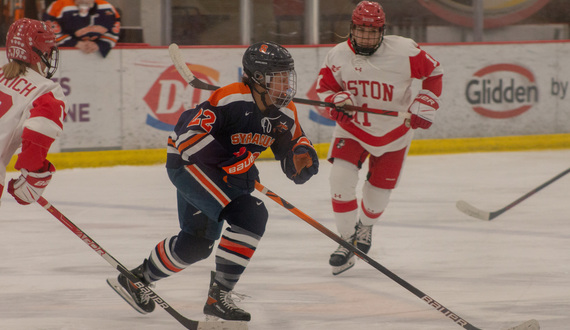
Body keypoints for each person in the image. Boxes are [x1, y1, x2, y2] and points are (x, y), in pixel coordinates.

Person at [106, 41, 319, 321]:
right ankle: (218, 298)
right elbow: (188, 138)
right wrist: (232, 166)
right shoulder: (230, 99)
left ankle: (138, 279)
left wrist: (300, 157)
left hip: (221, 175)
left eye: (286, 77)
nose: (285, 85)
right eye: (277, 78)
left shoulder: (286, 112)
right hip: (189, 164)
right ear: (257, 78)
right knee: (251, 214)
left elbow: (292, 145)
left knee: (196, 244)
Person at [316, 1, 444, 275]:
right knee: (339, 179)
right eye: (361, 30)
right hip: (353, 130)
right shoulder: (337, 55)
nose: (366, 37)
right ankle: (345, 241)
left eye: (373, 32)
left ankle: (366, 225)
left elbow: (434, 72)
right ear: (352, 28)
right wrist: (336, 101)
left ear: (382, 31)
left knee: (376, 198)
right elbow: (324, 90)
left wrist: (426, 101)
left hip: (394, 133)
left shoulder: (404, 50)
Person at [0, 18, 67, 207]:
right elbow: (38, 131)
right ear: (38, 54)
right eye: (48, 52)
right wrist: (33, 174)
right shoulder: (44, 89)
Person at [43, 0, 120, 58]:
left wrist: (100, 44)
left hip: (95, 56)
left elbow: (114, 29)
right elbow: (49, 30)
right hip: (63, 56)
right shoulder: (59, 6)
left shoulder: (107, 8)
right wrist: (74, 43)